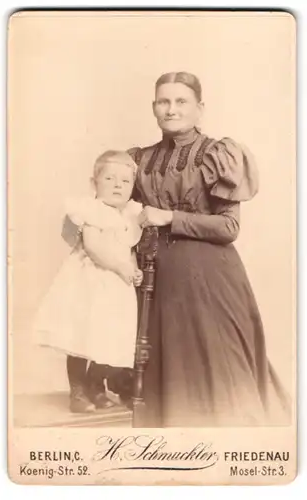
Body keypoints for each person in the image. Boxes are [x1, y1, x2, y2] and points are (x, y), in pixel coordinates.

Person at [128, 71, 290, 427]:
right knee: (165, 386)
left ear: (200, 108)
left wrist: (169, 216)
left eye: (181, 101)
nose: (171, 109)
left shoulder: (219, 154)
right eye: (163, 101)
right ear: (153, 107)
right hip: (156, 285)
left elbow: (229, 227)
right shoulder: (137, 160)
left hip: (209, 284)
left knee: (220, 385)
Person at [34, 150, 143, 413]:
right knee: (82, 336)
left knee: (110, 336)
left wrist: (134, 268)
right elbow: (93, 247)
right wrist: (120, 267)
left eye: (125, 181)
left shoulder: (130, 214)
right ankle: (79, 392)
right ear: (94, 184)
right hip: (91, 282)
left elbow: (129, 248)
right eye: (109, 179)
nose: (118, 185)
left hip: (117, 286)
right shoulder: (92, 210)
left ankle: (97, 386)